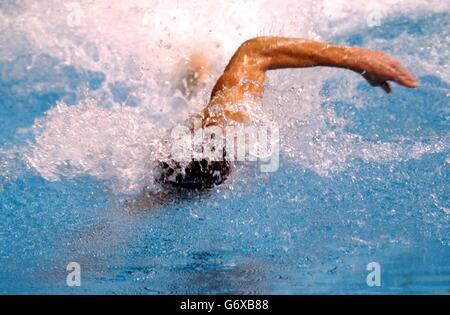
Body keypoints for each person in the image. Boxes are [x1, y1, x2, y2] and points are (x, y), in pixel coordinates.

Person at [158, 36, 418, 190]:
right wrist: (356, 59)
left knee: (199, 76)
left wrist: (355, 58)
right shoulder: (233, 122)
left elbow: (255, 50)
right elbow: (255, 50)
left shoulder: (228, 117)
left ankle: (197, 75)